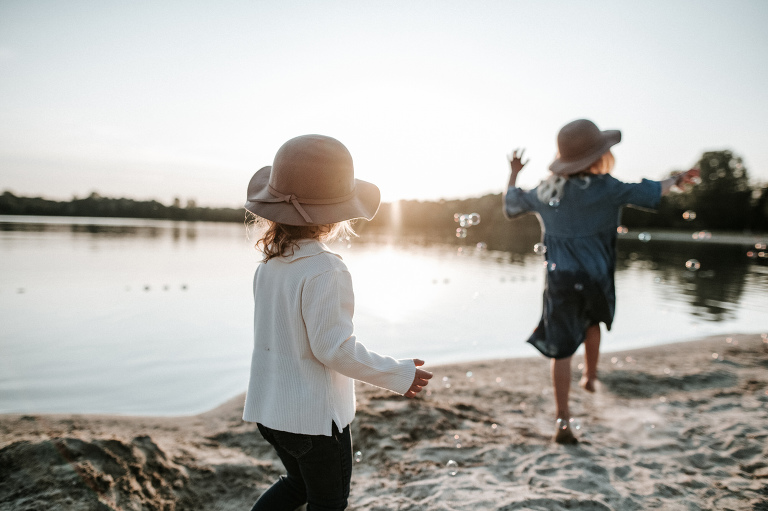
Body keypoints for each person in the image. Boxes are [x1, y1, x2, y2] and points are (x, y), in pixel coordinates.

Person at [242, 134, 433, 510]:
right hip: (313, 419)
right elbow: (335, 350)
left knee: (297, 485)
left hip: (270, 412)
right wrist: (398, 373)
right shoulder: (326, 268)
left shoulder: (269, 265)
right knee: (329, 502)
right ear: (337, 213)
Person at [503, 119, 699, 444]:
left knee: (561, 352)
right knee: (593, 322)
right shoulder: (607, 187)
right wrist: (678, 178)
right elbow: (648, 189)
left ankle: (563, 421)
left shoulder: (547, 191)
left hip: (559, 281)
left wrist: (514, 171)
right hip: (596, 278)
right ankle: (591, 377)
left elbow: (511, 204)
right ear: (598, 156)